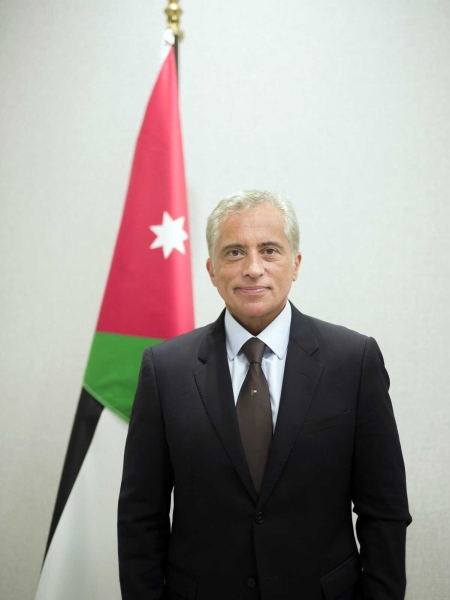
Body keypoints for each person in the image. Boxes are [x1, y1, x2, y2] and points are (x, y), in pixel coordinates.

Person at [118, 190, 411, 600]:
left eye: (269, 250)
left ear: (296, 264)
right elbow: (140, 516)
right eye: (234, 252)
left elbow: (385, 511)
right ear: (212, 269)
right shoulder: (164, 369)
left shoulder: (353, 360)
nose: (253, 269)